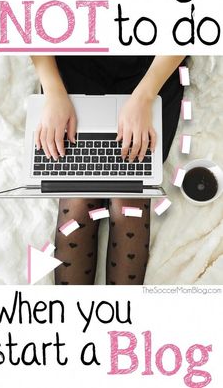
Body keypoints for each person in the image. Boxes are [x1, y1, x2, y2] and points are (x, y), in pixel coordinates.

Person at [31, 55, 186, 285]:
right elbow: (31, 24)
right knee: (79, 199)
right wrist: (54, 92)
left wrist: (144, 98)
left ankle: (122, 317)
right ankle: (71, 319)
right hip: (73, 66)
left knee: (128, 201)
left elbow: (186, 26)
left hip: (152, 71)